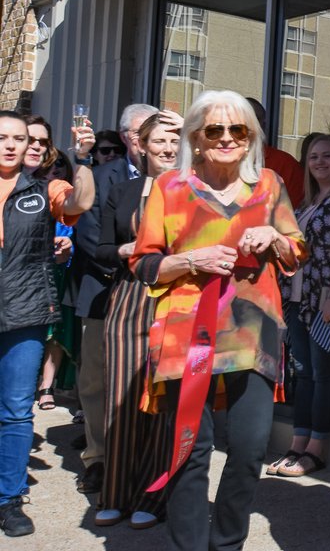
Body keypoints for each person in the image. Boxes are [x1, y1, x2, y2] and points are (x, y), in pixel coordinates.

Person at [130, 92, 304, 551]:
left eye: (238, 130)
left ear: (251, 139)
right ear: (196, 139)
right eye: (215, 130)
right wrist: (192, 259)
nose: (227, 138)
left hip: (253, 334)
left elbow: (296, 249)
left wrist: (274, 236)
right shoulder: (170, 187)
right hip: (184, 335)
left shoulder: (268, 184)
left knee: (249, 450)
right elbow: (145, 264)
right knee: (190, 452)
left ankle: (226, 544)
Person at [0, 110, 95, 537]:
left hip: (25, 311)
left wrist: (84, 159)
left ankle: (9, 499)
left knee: (17, 411)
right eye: (2, 137)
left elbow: (81, 202)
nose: (11, 145)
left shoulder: (44, 188)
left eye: (19, 138)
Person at [92, 112, 179, 529]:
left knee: (164, 405)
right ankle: (115, 493)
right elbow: (102, 249)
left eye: (174, 141)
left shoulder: (191, 190)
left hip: (174, 302)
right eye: (159, 141)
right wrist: (128, 251)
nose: (167, 148)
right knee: (122, 400)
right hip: (128, 300)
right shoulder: (122, 191)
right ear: (141, 146)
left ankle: (154, 496)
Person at [70, 101, 157, 495]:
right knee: (95, 381)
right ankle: (99, 458)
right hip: (105, 289)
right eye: (142, 134)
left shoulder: (174, 180)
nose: (151, 141)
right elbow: (89, 234)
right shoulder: (102, 175)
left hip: (154, 296)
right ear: (128, 138)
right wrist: (128, 266)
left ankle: (139, 456)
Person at [269, 133, 330, 479]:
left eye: (327, 156)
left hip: (326, 300)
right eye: (313, 157)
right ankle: (298, 444)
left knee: (327, 375)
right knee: (306, 374)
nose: (320, 162)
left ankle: (316, 450)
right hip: (298, 300)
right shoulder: (307, 202)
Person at [35, 152, 79, 409]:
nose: (55, 169)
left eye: (61, 164)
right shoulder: (29, 196)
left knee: (57, 332)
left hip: (65, 272)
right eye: (49, 165)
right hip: (33, 273)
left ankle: (47, 386)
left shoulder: (74, 201)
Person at [247, 97, 305, 206]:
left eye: (255, 118)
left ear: (263, 126)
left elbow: (296, 214)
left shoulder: (286, 165)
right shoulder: (217, 163)